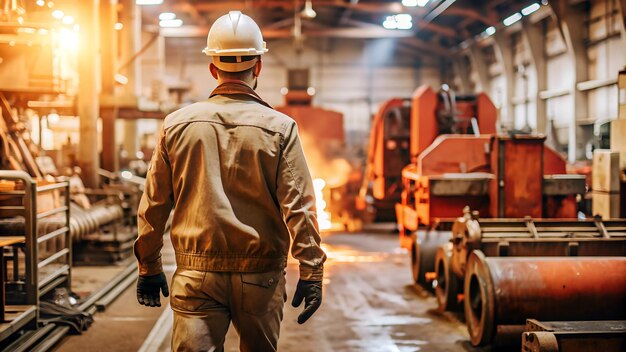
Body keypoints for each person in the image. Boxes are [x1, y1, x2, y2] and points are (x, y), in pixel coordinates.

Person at [133, 11, 326, 352]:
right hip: (261, 276)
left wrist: (149, 265)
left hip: (196, 275)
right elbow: (300, 206)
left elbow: (153, 205)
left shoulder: (176, 125)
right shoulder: (281, 129)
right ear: (259, 66)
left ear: (213, 68)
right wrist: (311, 271)